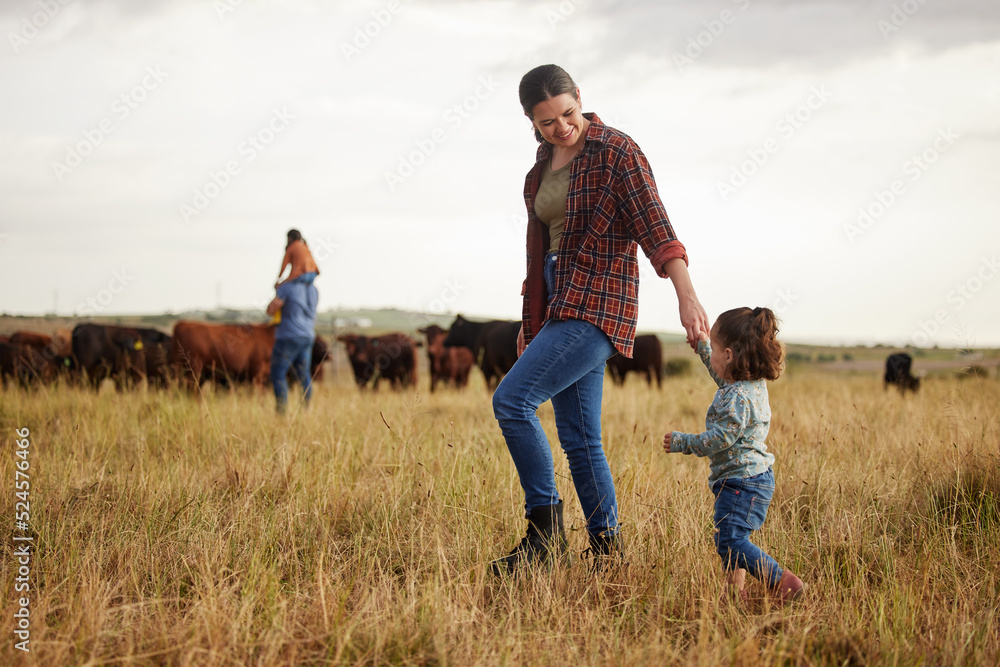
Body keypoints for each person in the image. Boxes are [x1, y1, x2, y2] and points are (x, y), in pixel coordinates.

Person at [490, 64, 710, 576]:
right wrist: (532, 320)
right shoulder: (539, 168)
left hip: (599, 301)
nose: (561, 127)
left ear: (580, 98)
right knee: (580, 436)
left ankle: (544, 535)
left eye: (567, 114)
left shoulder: (617, 152)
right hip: (557, 303)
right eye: (547, 122)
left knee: (511, 401)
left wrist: (686, 294)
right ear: (532, 122)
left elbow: (655, 225)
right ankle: (609, 555)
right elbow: (538, 253)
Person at [662, 307, 803, 605]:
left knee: (729, 541)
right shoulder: (747, 385)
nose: (711, 355)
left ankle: (780, 580)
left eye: (713, 349)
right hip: (748, 479)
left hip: (743, 482)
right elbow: (718, 372)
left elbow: (719, 439)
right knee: (732, 537)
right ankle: (733, 594)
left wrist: (682, 442)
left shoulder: (736, 398)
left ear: (728, 355)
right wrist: (702, 346)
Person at [266, 266, 319, 414]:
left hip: (288, 335)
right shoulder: (314, 290)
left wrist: (278, 290)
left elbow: (271, 310)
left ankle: (281, 412)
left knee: (278, 373)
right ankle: (306, 410)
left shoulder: (287, 287)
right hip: (308, 336)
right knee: (304, 373)